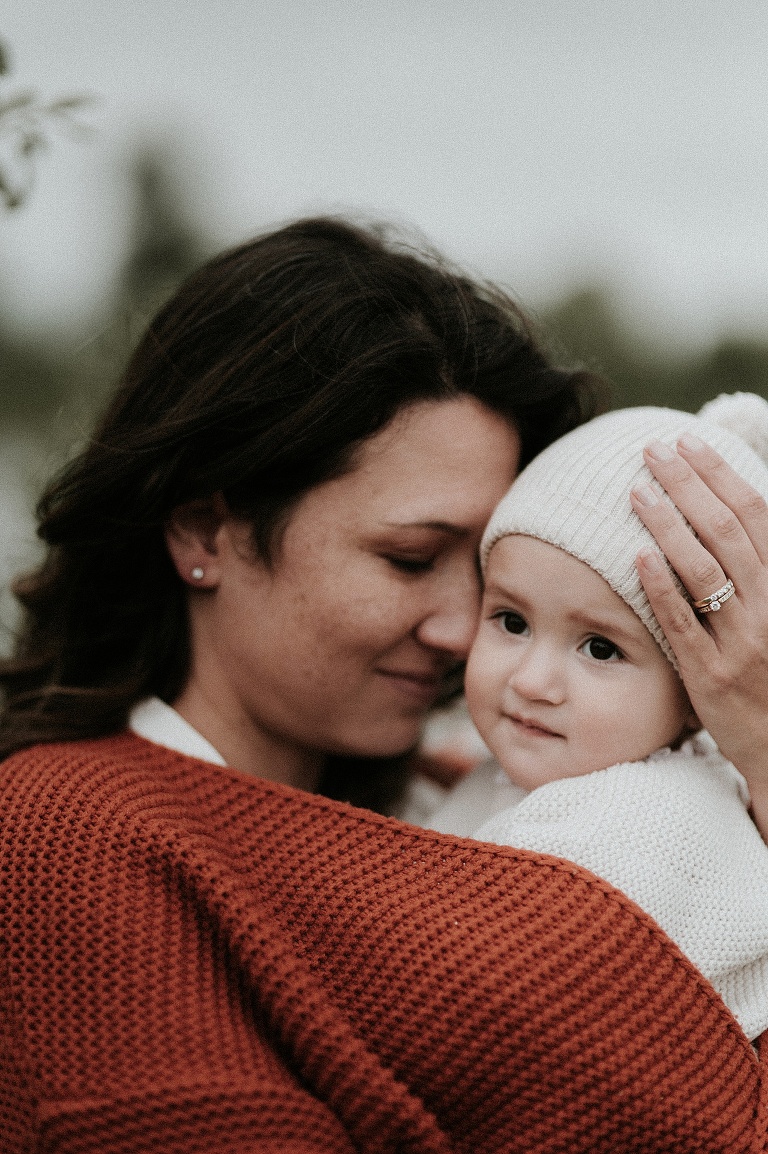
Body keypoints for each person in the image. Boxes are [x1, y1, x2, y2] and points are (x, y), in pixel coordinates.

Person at [1, 217, 768, 1153]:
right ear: (205, 533)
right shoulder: (69, 836)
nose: (462, 631)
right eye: (410, 559)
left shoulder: (474, 799)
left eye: (492, 575)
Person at [424, 393, 768, 1042]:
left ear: (701, 698)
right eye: (512, 621)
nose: (531, 681)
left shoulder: (643, 828)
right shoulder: (501, 774)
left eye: (601, 648)